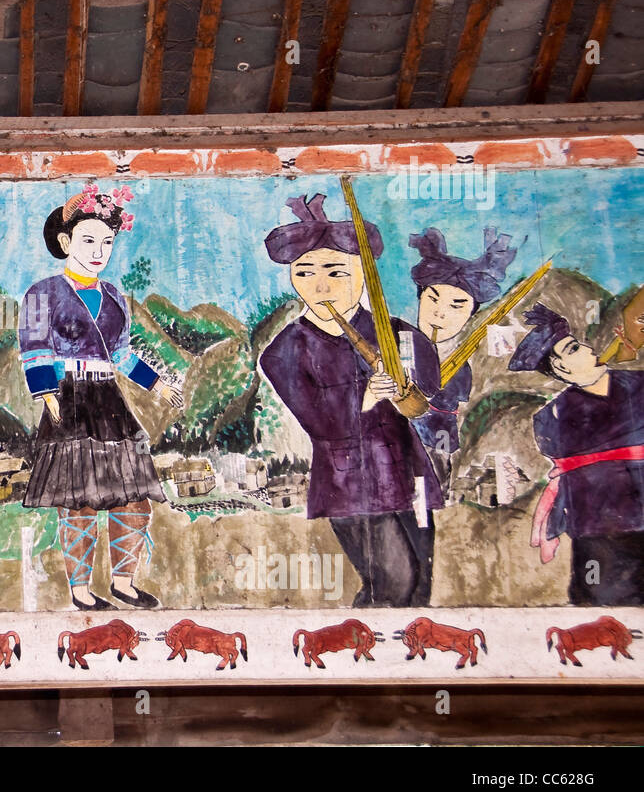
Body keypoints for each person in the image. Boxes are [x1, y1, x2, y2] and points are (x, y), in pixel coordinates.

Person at [259, 192, 442, 607]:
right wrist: (366, 396)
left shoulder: (391, 330)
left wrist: (414, 367)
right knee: (392, 583)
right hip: (349, 481)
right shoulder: (284, 351)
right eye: (304, 273)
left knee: (421, 587)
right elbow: (321, 425)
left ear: (363, 274)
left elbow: (433, 393)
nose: (319, 286)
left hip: (405, 471)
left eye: (335, 272)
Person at [18, 183, 184, 612]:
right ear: (65, 241)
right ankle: (79, 591)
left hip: (109, 399)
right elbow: (33, 347)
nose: (98, 250)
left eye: (107, 242)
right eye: (88, 240)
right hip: (68, 401)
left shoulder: (115, 297)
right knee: (80, 500)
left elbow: (124, 355)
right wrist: (48, 397)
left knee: (133, 496)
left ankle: (124, 582)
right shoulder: (41, 292)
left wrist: (159, 385)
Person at [508, 303, 644, 605]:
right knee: (600, 600)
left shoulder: (639, 385)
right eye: (572, 349)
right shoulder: (551, 417)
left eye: (578, 343)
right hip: (596, 521)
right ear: (560, 369)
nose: (586, 349)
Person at [407, 227, 517, 487]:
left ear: (470, 314)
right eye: (432, 299)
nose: (440, 314)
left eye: (456, 306)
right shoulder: (401, 343)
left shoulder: (467, 361)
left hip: (439, 444)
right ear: (420, 298)